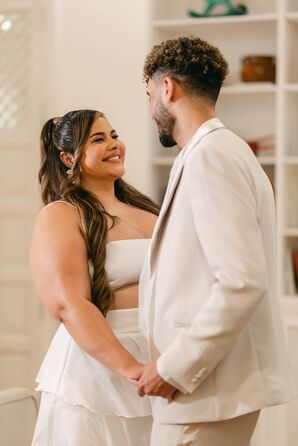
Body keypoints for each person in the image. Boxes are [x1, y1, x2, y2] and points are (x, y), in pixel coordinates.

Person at [137, 36, 296, 446]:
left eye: (149, 93)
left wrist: (173, 367)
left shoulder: (212, 156)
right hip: (206, 396)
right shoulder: (222, 150)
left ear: (167, 88)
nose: (150, 106)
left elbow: (242, 281)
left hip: (202, 395)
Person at [30, 109, 159, 446]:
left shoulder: (149, 210)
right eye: (98, 139)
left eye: (114, 135)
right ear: (69, 157)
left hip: (160, 361)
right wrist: (131, 369)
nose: (114, 144)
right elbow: (69, 304)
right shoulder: (62, 215)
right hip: (96, 372)